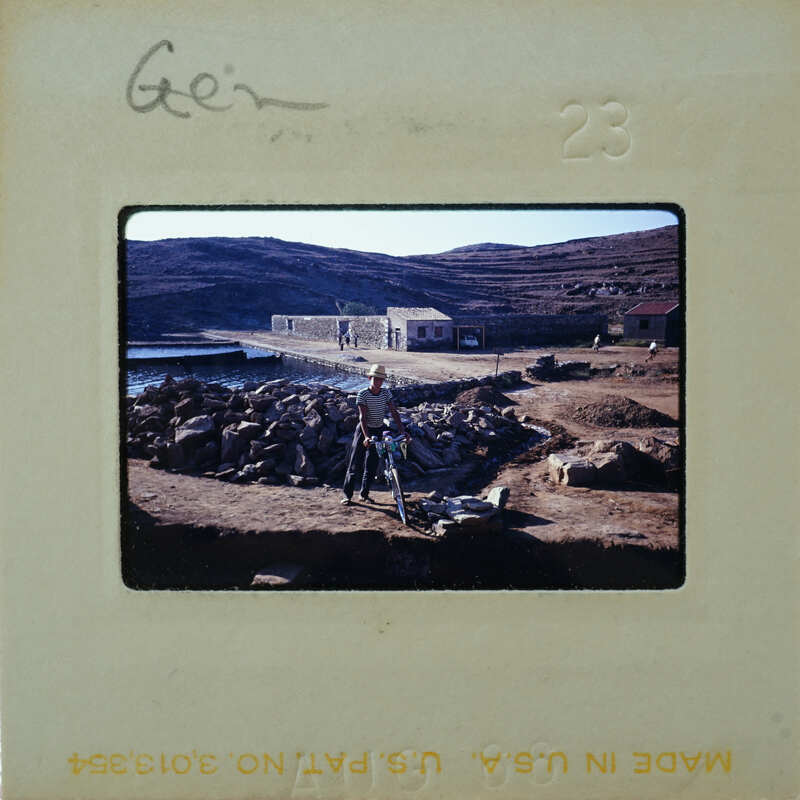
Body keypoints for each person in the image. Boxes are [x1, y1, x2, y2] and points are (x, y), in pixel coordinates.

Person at [341, 364, 409, 505]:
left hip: (378, 429)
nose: (378, 382)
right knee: (354, 462)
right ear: (369, 378)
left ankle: (364, 494)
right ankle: (347, 495)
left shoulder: (385, 393)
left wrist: (403, 431)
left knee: (371, 463)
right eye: (375, 379)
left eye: (381, 379)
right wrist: (366, 437)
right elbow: (362, 417)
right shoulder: (363, 394)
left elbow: (394, 412)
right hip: (364, 430)